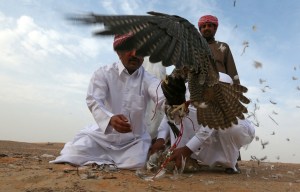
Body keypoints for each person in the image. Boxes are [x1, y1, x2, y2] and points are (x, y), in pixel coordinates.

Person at [50, 33, 165, 169]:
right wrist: (110, 119)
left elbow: (162, 97)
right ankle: (107, 162)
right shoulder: (103, 73)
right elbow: (93, 100)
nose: (135, 54)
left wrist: (175, 101)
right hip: (102, 137)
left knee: (137, 162)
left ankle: (104, 163)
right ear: (118, 52)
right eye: (129, 49)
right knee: (74, 152)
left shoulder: (149, 79)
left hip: (134, 141)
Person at [150, 73, 255, 173]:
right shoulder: (185, 87)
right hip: (203, 132)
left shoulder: (220, 80)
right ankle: (187, 159)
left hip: (230, 127)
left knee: (231, 128)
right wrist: (161, 139)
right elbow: (170, 114)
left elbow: (212, 122)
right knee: (180, 112)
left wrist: (187, 150)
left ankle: (230, 162)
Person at [198, 15, 240, 84]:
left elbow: (232, 72)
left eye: (209, 25)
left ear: (215, 28)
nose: (206, 28)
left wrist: (238, 93)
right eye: (203, 26)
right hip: (196, 90)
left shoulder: (223, 47)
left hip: (220, 89)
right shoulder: (192, 48)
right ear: (200, 30)